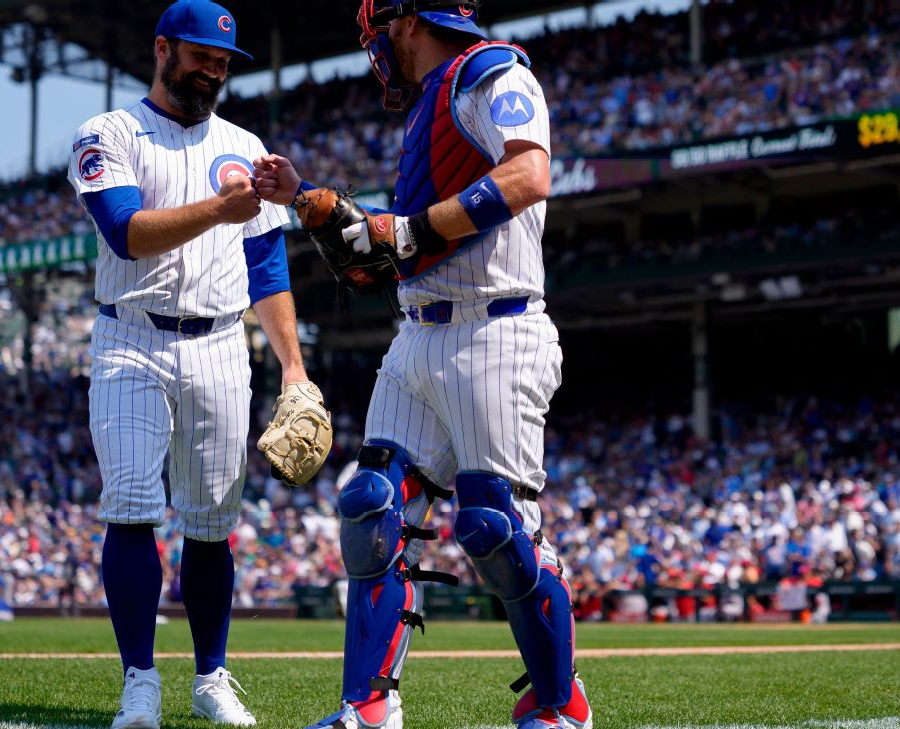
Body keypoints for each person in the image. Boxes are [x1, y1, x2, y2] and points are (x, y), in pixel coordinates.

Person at [253, 2, 591, 727]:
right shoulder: (433, 105)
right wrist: (309, 200)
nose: (378, 46)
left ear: (410, 20)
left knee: (495, 528)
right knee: (371, 504)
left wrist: (409, 226)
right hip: (418, 333)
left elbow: (530, 174)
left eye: (384, 29)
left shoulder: (490, 71)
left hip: (496, 330)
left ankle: (562, 704)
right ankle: (366, 707)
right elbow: (396, 240)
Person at [66, 1, 322, 727]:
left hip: (219, 342)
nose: (212, 69)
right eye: (200, 55)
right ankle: (139, 679)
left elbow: (268, 269)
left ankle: (211, 676)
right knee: (132, 503)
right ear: (163, 49)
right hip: (131, 337)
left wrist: (294, 369)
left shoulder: (244, 143)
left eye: (222, 61)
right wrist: (219, 208)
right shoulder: (108, 133)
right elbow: (125, 234)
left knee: (212, 518)